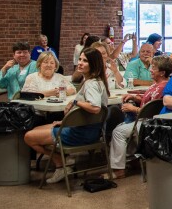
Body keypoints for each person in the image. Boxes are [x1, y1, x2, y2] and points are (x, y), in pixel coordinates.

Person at [24, 48, 111, 184]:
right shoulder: (97, 81)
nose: (80, 63)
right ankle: (65, 161)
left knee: (29, 137)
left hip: (80, 134)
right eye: (80, 59)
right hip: (91, 131)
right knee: (36, 130)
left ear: (94, 64)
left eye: (85, 61)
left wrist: (76, 101)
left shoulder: (91, 84)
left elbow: (95, 108)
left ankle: (60, 163)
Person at [107, 55, 172, 179]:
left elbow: (152, 109)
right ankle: (133, 160)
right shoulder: (158, 85)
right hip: (144, 120)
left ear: (162, 72)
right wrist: (135, 97)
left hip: (148, 122)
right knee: (124, 127)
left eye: (154, 68)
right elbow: (148, 100)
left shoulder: (163, 87)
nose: (150, 70)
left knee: (118, 132)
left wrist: (134, 109)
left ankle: (118, 170)